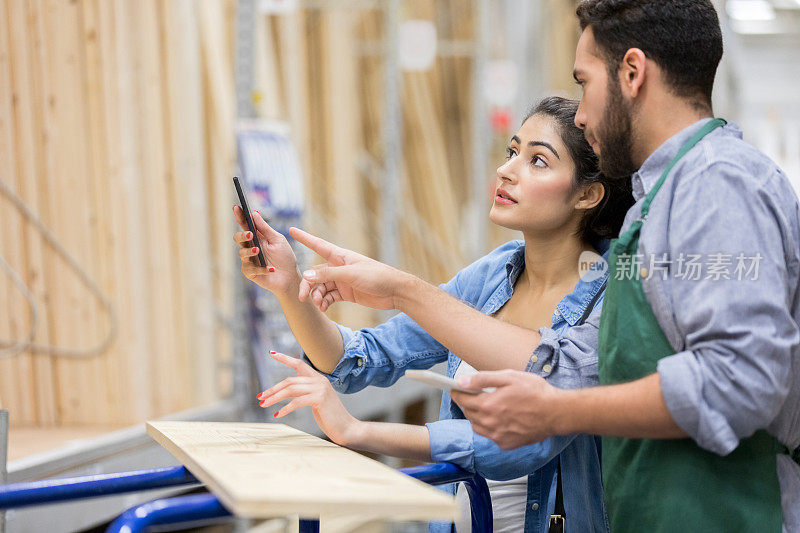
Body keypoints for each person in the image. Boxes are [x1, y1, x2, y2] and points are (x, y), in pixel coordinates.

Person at [443, 1, 800, 532]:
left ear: (633, 73)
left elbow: (738, 378)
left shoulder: (718, 184)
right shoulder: (656, 203)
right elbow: (586, 364)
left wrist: (559, 413)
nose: (581, 114)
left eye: (584, 83)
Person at [233, 96, 633, 532]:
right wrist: (290, 289)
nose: (507, 169)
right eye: (513, 151)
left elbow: (517, 442)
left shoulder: (613, 299)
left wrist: (357, 429)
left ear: (588, 194)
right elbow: (356, 359)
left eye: (538, 161)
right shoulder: (490, 276)